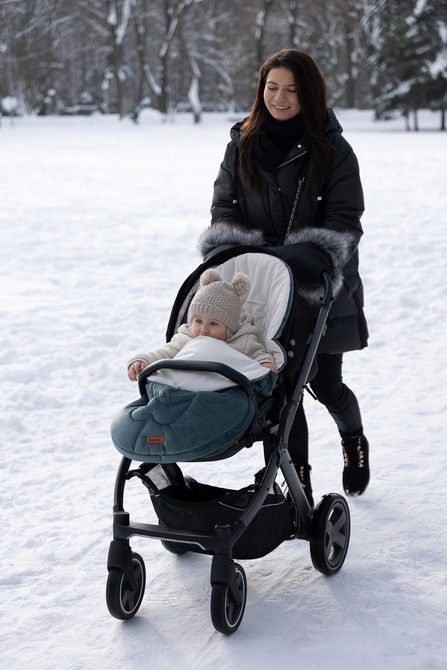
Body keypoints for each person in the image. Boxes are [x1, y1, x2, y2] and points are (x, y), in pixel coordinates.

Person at [199, 48, 369, 506]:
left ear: (308, 94)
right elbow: (223, 209)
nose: (279, 97)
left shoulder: (333, 150)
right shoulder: (241, 144)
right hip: (261, 289)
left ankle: (354, 440)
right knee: (282, 390)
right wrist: (236, 252)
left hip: (318, 286)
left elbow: (344, 220)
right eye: (271, 87)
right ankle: (298, 489)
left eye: (291, 90)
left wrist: (306, 255)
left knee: (326, 386)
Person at [127, 268, 277, 381]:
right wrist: (144, 360)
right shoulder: (185, 338)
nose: (203, 330)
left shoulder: (242, 340)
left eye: (213, 323)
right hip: (184, 386)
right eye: (198, 321)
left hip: (222, 390)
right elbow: (165, 353)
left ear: (230, 327)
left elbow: (258, 354)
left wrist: (265, 364)